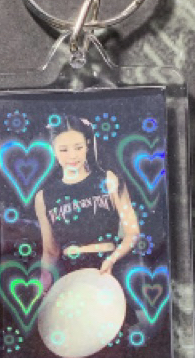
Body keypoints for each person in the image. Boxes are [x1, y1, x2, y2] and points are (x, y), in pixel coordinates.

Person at [34, 115, 140, 308]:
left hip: (107, 270)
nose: (72, 156)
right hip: (69, 277)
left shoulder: (109, 180)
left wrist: (112, 260)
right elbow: (50, 250)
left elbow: (132, 233)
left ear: (88, 145)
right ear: (53, 151)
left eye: (78, 147)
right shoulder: (43, 197)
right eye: (64, 150)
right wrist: (44, 278)